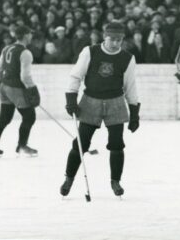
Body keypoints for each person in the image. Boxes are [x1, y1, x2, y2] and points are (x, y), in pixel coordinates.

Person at [60, 22, 140, 197]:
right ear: (105, 37)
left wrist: (134, 113)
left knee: (117, 144)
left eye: (119, 40)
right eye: (112, 39)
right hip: (91, 101)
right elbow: (76, 75)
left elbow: (130, 86)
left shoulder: (127, 58)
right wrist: (71, 99)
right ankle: (69, 178)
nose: (115, 43)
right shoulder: (90, 51)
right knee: (81, 142)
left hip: (116, 103)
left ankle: (115, 182)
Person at [0, 26, 41, 158]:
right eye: (30, 34)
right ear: (25, 35)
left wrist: (0, 85)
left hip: (4, 86)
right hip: (16, 88)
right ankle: (22, 146)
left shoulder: (6, 48)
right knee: (29, 117)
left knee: (4, 118)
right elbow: (25, 77)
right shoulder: (25, 53)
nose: (31, 36)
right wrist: (33, 90)